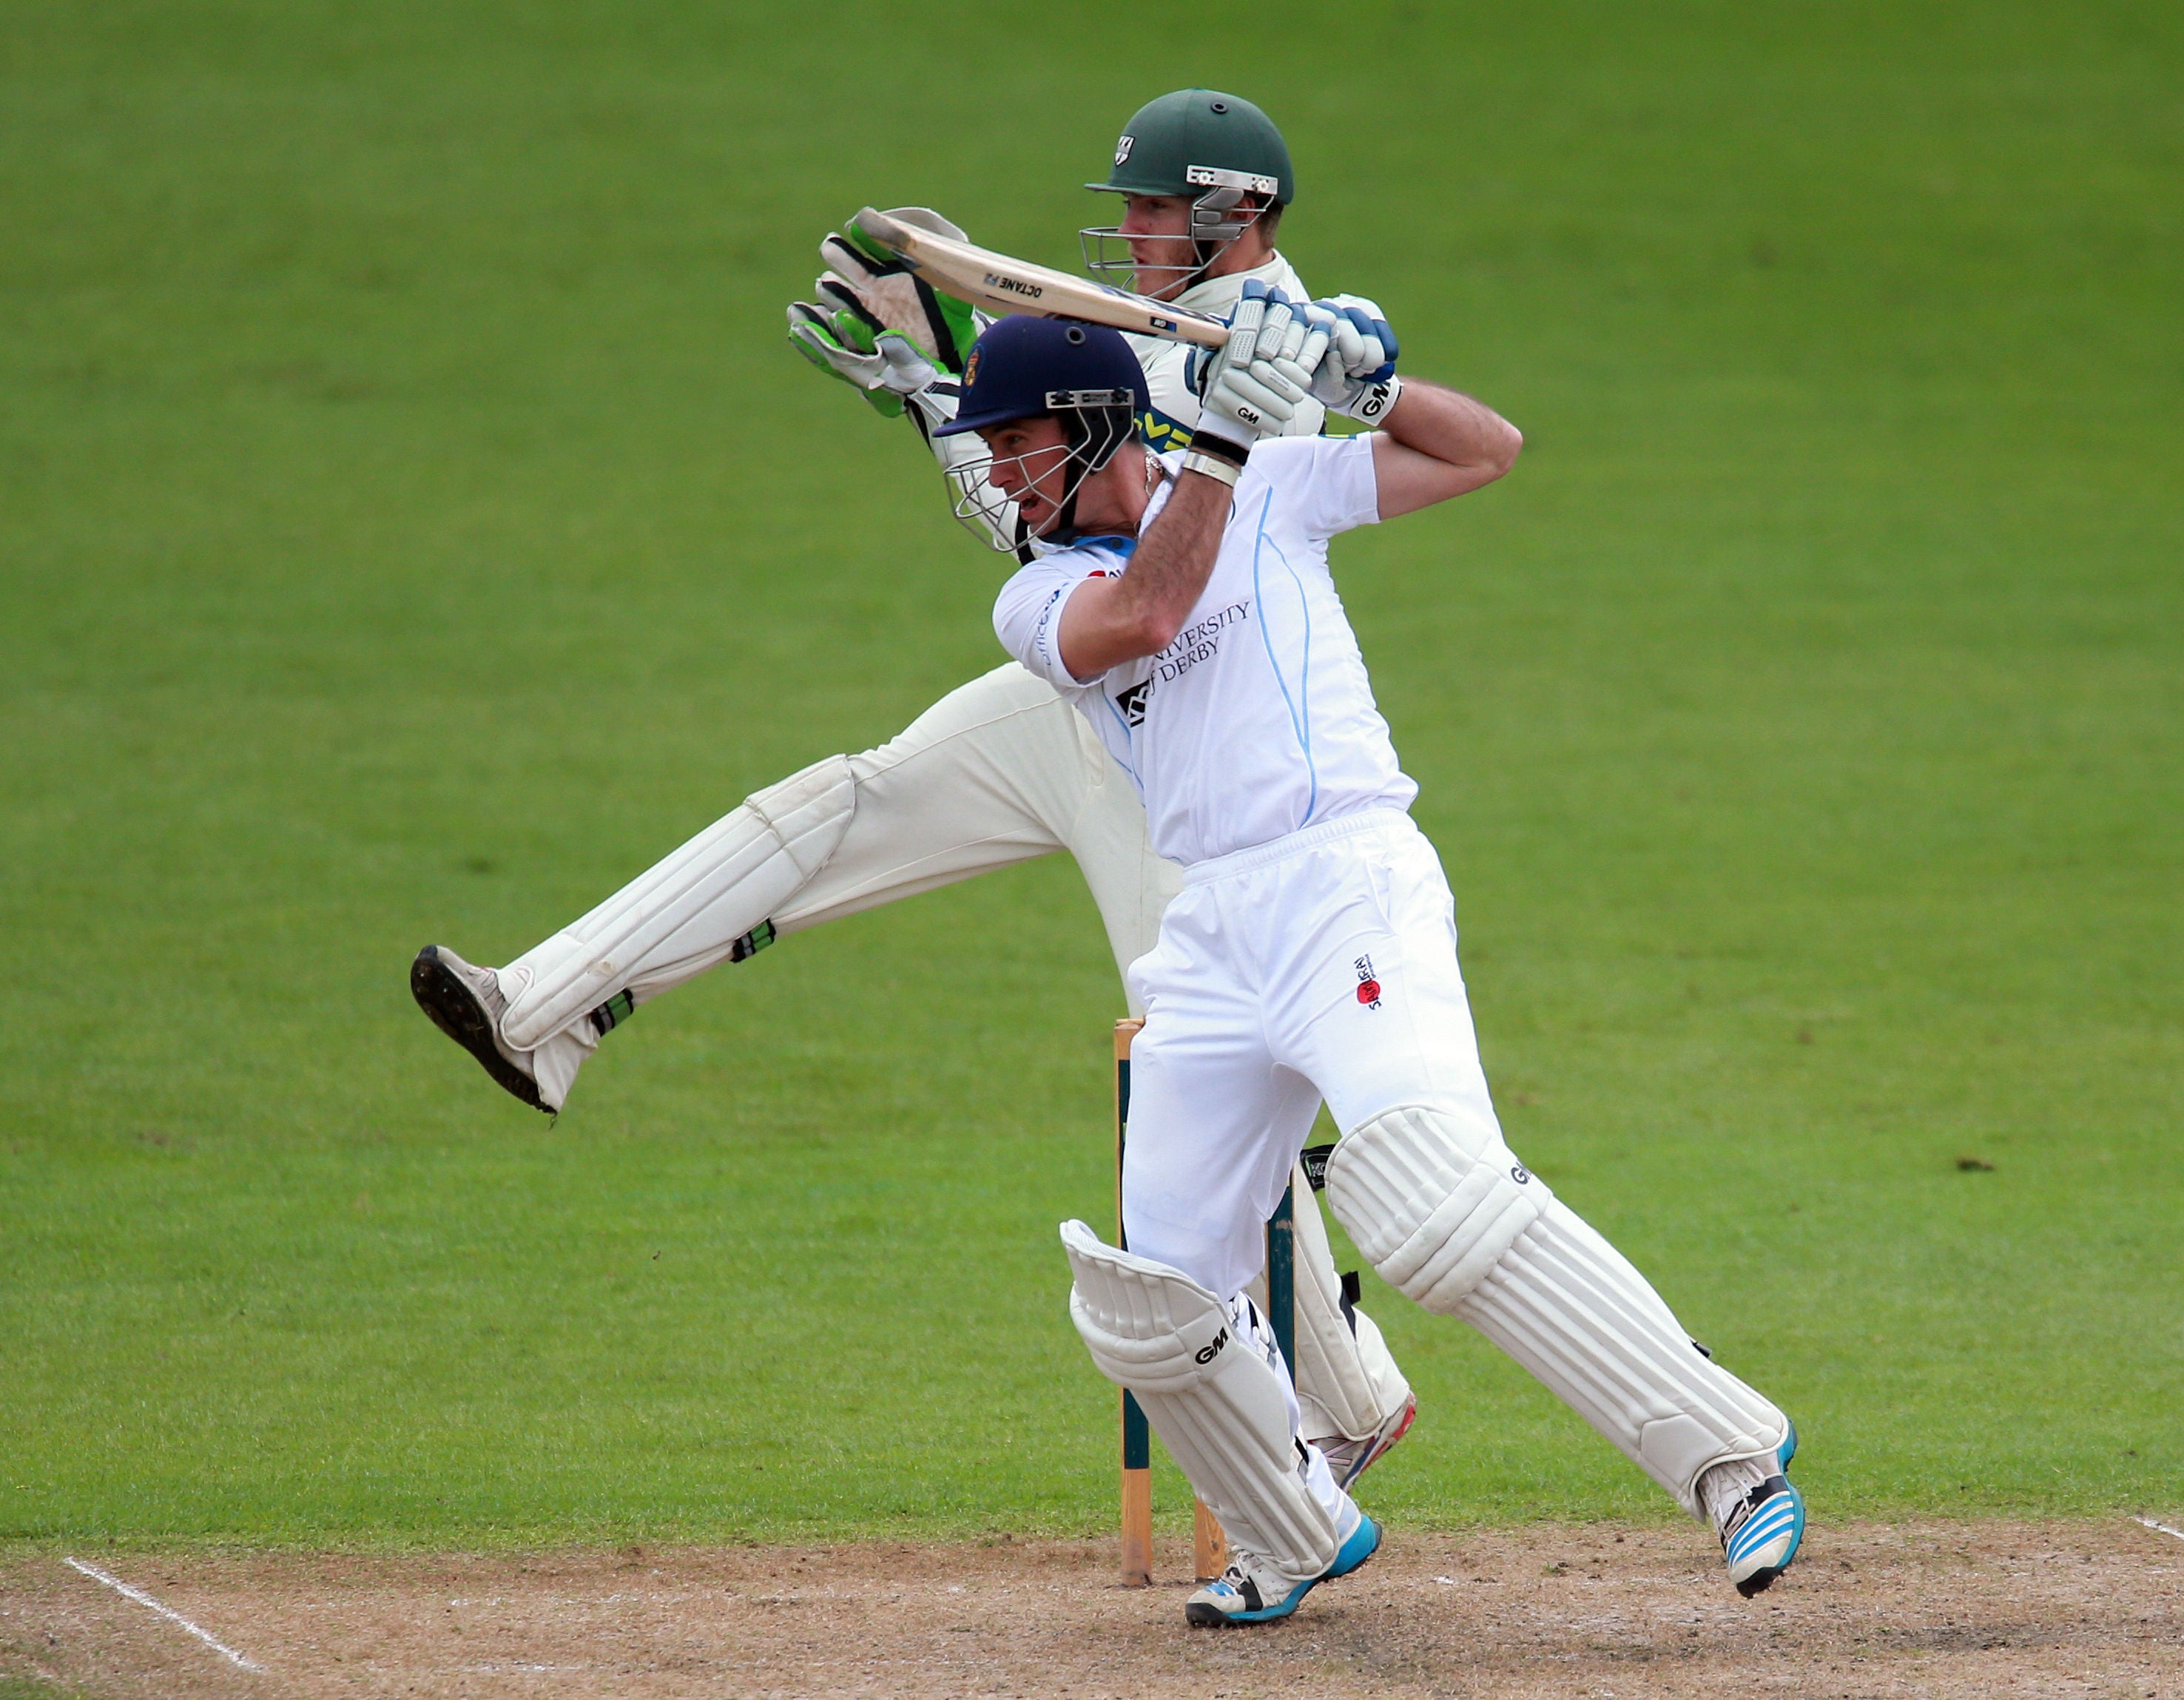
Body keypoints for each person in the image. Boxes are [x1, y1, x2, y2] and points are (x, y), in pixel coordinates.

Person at [409, 90, 1421, 1487]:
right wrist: (940, 381)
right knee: (844, 800)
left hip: (1178, 762)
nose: (1124, 237)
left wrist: (952, 387)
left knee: (1204, 1053)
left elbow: (1115, 566)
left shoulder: (1264, 347)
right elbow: (1035, 515)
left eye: (1146, 212)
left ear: (1228, 215)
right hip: (1073, 700)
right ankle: (543, 1011)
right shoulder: (1151, 329)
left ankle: (1348, 1393)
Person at [951, 290, 1804, 1627]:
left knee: (1429, 1198)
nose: (995, 475)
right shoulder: (1041, 591)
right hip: (1215, 928)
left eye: (1010, 442)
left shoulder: (1277, 483)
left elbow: (1488, 450)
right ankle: (1293, 1531)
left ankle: (1730, 1457)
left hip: (1347, 880)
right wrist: (1225, 441)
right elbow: (1151, 613)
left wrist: (1374, 380)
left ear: (1092, 420)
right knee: (1149, 1289)